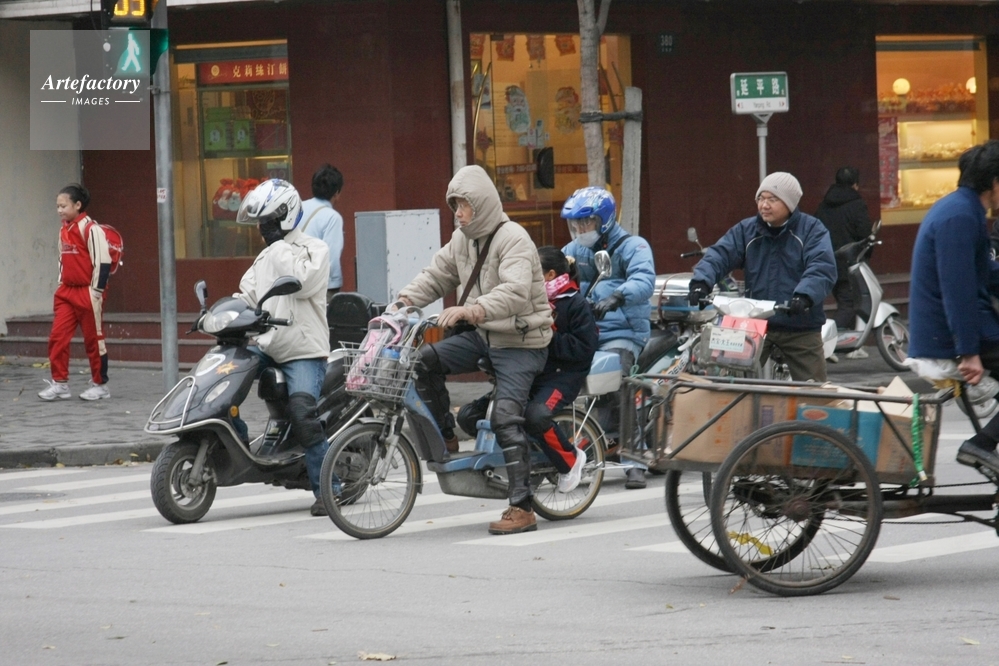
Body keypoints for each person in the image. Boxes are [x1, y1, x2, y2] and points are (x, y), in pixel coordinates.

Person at [395, 164, 553, 535]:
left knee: (505, 418)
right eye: (454, 205)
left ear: (481, 204)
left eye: (464, 205)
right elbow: (436, 275)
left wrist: (472, 310)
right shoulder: (462, 240)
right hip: (485, 335)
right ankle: (447, 435)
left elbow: (515, 293)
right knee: (422, 361)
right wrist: (402, 302)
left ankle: (522, 507)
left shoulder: (514, 239)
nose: (459, 213)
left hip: (520, 342)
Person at [457, 246, 598, 494]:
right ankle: (520, 454)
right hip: (527, 372)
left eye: (533, 272)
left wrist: (545, 336)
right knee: (470, 415)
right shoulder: (526, 300)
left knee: (536, 415)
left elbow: (584, 348)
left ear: (550, 275)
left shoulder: (575, 303)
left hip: (561, 377)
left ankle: (570, 460)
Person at [234, 179, 332, 517]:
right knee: (224, 379)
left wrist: (276, 245)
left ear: (284, 216)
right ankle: (240, 448)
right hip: (268, 346)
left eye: (267, 221)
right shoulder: (265, 257)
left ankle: (328, 489)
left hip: (304, 351)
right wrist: (223, 314)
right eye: (260, 222)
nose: (262, 228)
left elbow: (300, 283)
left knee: (303, 413)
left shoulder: (314, 249)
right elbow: (246, 296)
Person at [688, 172, 836, 382]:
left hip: (800, 324)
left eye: (772, 199)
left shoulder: (812, 230)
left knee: (814, 390)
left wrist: (804, 296)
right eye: (761, 198)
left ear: (790, 203)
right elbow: (719, 255)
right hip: (753, 323)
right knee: (732, 381)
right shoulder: (746, 230)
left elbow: (821, 267)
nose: (764, 205)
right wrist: (701, 283)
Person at [908, 140, 999, 479]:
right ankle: (981, 445)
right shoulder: (960, 216)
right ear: (994, 183)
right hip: (945, 334)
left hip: (960, 326)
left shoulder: (964, 209)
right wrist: (968, 352)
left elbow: (986, 273)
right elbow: (957, 290)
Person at [561, 187, 655, 490]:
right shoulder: (574, 250)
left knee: (618, 387)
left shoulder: (633, 246)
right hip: (586, 332)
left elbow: (644, 280)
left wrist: (617, 296)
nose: (580, 229)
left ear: (604, 220)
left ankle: (635, 460)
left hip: (623, 333)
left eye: (585, 222)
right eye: (575, 224)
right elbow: (556, 276)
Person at [38, 184, 112, 402]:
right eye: (58, 206)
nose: (59, 210)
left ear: (78, 205)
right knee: (57, 337)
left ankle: (100, 385)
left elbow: (103, 262)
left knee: (94, 340)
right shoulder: (64, 230)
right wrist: (62, 283)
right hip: (66, 292)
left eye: (64, 206)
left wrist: (96, 291)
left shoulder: (91, 229)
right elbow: (62, 259)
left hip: (87, 291)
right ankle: (60, 383)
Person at [815, 167, 874, 340]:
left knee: (845, 302)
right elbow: (865, 234)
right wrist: (866, 255)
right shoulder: (857, 205)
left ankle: (848, 344)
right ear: (855, 184)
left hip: (827, 262)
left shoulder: (823, 205)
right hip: (850, 263)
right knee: (850, 305)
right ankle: (825, 340)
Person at [300, 164, 344, 302]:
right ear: (336, 193)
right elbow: (331, 256)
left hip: (294, 279)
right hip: (320, 285)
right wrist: (335, 282)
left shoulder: (298, 207)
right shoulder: (332, 217)